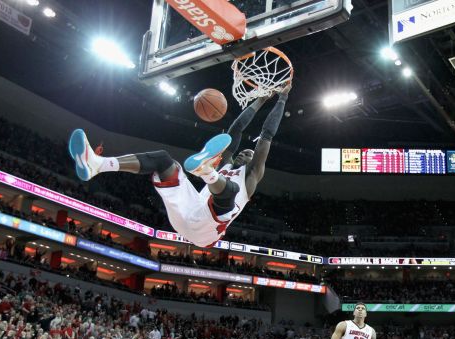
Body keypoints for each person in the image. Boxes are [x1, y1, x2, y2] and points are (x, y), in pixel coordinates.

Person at [68, 83, 292, 248]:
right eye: (243, 150)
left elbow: (267, 134)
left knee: (229, 193)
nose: (245, 152)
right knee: (163, 160)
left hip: (207, 231)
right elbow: (236, 129)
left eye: (249, 152)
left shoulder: (252, 174)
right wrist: (260, 100)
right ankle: (97, 164)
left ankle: (204, 170)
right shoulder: (227, 162)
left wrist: (282, 99)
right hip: (188, 211)